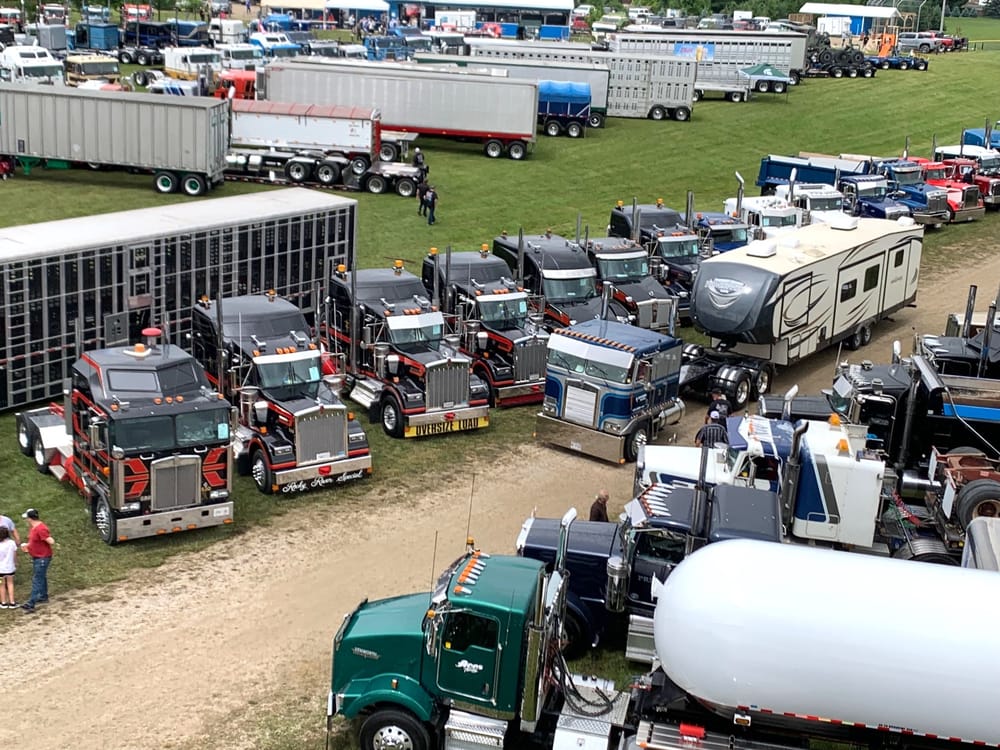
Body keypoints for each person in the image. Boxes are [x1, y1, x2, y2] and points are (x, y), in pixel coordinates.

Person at [20, 508, 54, 613]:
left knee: (37, 580)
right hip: (37, 557)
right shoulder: (34, 528)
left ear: (30, 518)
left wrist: (48, 539)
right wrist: (28, 546)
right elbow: (34, 541)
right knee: (41, 577)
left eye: (27, 518)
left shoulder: (40, 529)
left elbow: (50, 541)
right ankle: (43, 596)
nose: (26, 520)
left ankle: (31, 603)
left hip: (42, 558)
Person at [0, 526, 16, 608]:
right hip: (10, 568)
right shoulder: (12, 543)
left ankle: (3, 602)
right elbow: (14, 555)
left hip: (0, 570)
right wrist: (15, 563)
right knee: (10, 583)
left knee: (1, 585)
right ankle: (12, 602)